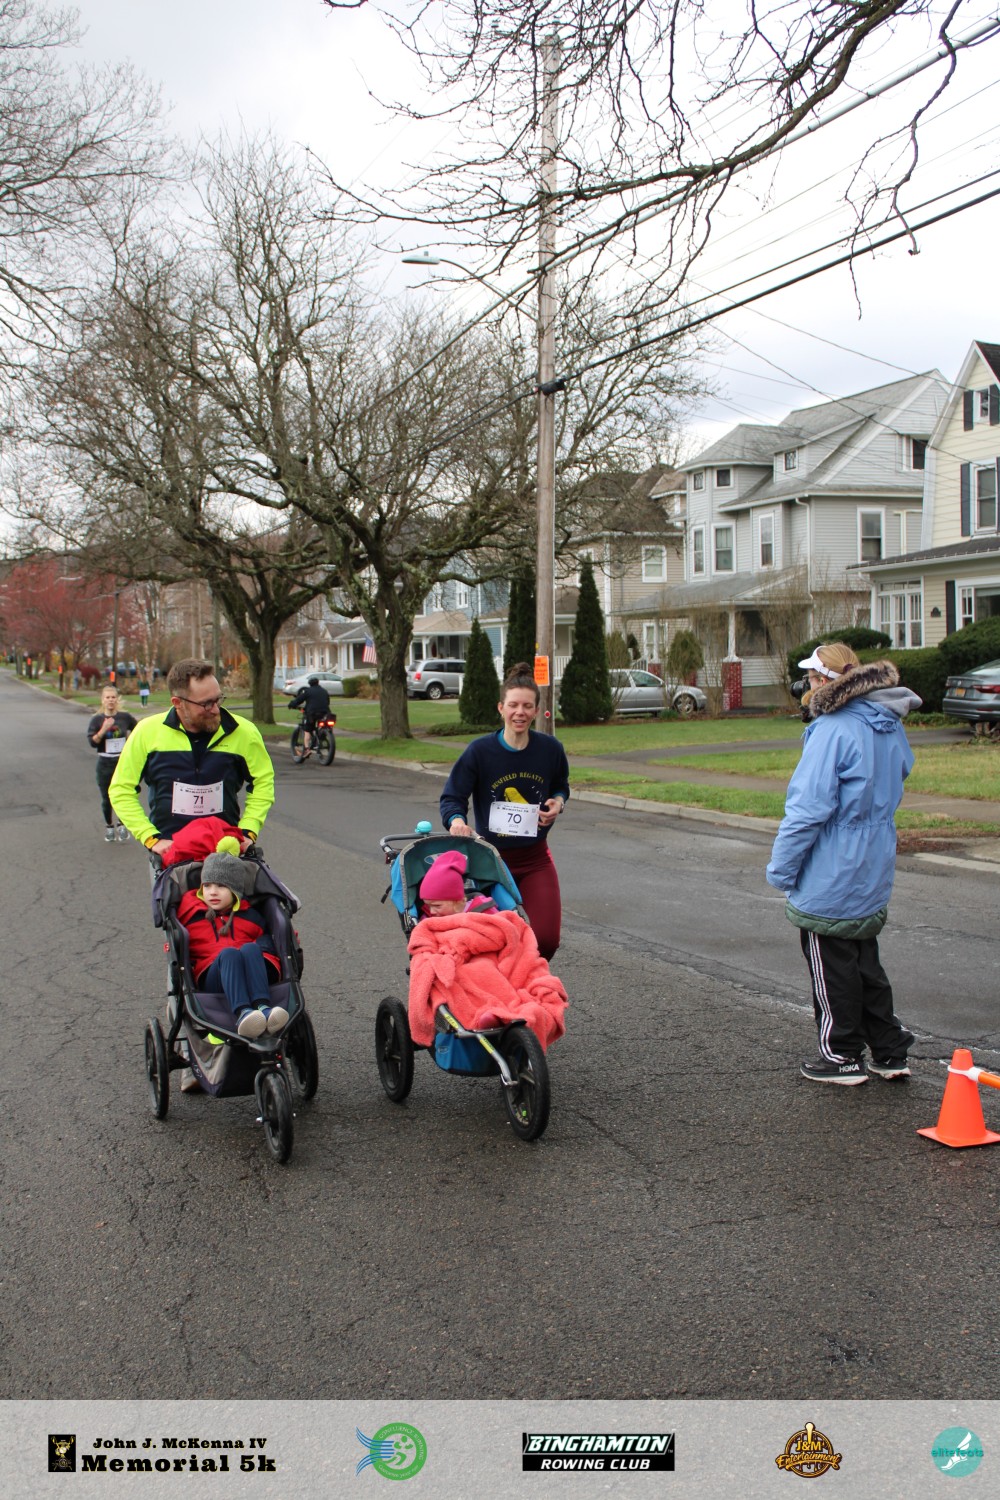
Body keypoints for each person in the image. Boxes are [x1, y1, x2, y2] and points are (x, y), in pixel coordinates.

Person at [766, 643, 919, 1086]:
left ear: (825, 681)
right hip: (873, 857)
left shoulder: (831, 730)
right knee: (864, 958)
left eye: (812, 678)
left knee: (831, 964)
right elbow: (901, 770)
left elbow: (807, 810)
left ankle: (842, 1054)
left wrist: (782, 869)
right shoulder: (886, 721)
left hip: (832, 864)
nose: (806, 686)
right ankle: (889, 1049)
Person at [440, 662, 569, 960]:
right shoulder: (480, 751)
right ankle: (502, 984)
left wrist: (558, 802)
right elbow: (452, 797)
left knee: (545, 941)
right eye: (513, 705)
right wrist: (457, 821)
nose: (519, 712)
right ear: (501, 708)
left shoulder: (550, 749)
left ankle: (521, 977)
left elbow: (560, 785)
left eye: (527, 706)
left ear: (536, 710)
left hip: (535, 859)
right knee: (493, 940)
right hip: (490, 860)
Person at [109, 658, 275, 857]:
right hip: (171, 853)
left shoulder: (244, 732)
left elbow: (263, 781)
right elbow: (121, 789)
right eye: (206, 704)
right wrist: (150, 837)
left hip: (225, 851)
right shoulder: (147, 732)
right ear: (178, 703)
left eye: (218, 699)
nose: (216, 709)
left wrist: (248, 830)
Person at [408, 849, 568, 1046]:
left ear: (459, 900)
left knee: (504, 974)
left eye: (437, 906)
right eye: (428, 905)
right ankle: (486, 1012)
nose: (432, 911)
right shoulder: (430, 922)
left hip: (493, 956)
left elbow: (504, 931)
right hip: (461, 963)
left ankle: (505, 1009)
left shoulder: (485, 909)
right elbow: (425, 941)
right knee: (466, 977)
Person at [176, 837, 288, 1038]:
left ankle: (263, 1007)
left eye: (221, 886)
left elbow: (267, 937)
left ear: (235, 890)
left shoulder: (250, 916)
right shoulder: (193, 917)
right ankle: (244, 1011)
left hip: (253, 968)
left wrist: (264, 948)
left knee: (251, 948)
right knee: (229, 954)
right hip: (214, 974)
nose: (213, 892)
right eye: (207, 886)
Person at [86, 686, 138, 842]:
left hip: (122, 762)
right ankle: (109, 826)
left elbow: (137, 731)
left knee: (125, 794)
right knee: (107, 797)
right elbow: (92, 742)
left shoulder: (125, 717)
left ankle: (122, 824)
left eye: (113, 697)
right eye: (107, 697)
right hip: (105, 763)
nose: (110, 700)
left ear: (117, 699)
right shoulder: (97, 720)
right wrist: (104, 729)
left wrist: (130, 744)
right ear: (102, 700)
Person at [287, 675, 331, 760]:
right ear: (318, 683)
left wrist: (291, 704)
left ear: (310, 684)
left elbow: (298, 700)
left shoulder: (308, 691)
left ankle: (307, 750)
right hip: (325, 713)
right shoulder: (324, 691)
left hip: (312, 713)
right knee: (324, 726)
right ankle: (323, 737)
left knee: (307, 730)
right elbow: (327, 702)